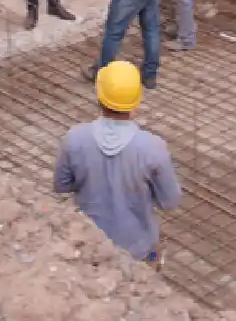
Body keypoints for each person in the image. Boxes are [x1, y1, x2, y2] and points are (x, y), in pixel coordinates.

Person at [54, 59, 183, 262]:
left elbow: (61, 186)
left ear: (99, 95)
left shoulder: (75, 139)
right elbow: (170, 201)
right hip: (138, 249)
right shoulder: (153, 148)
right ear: (136, 101)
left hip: (90, 244)